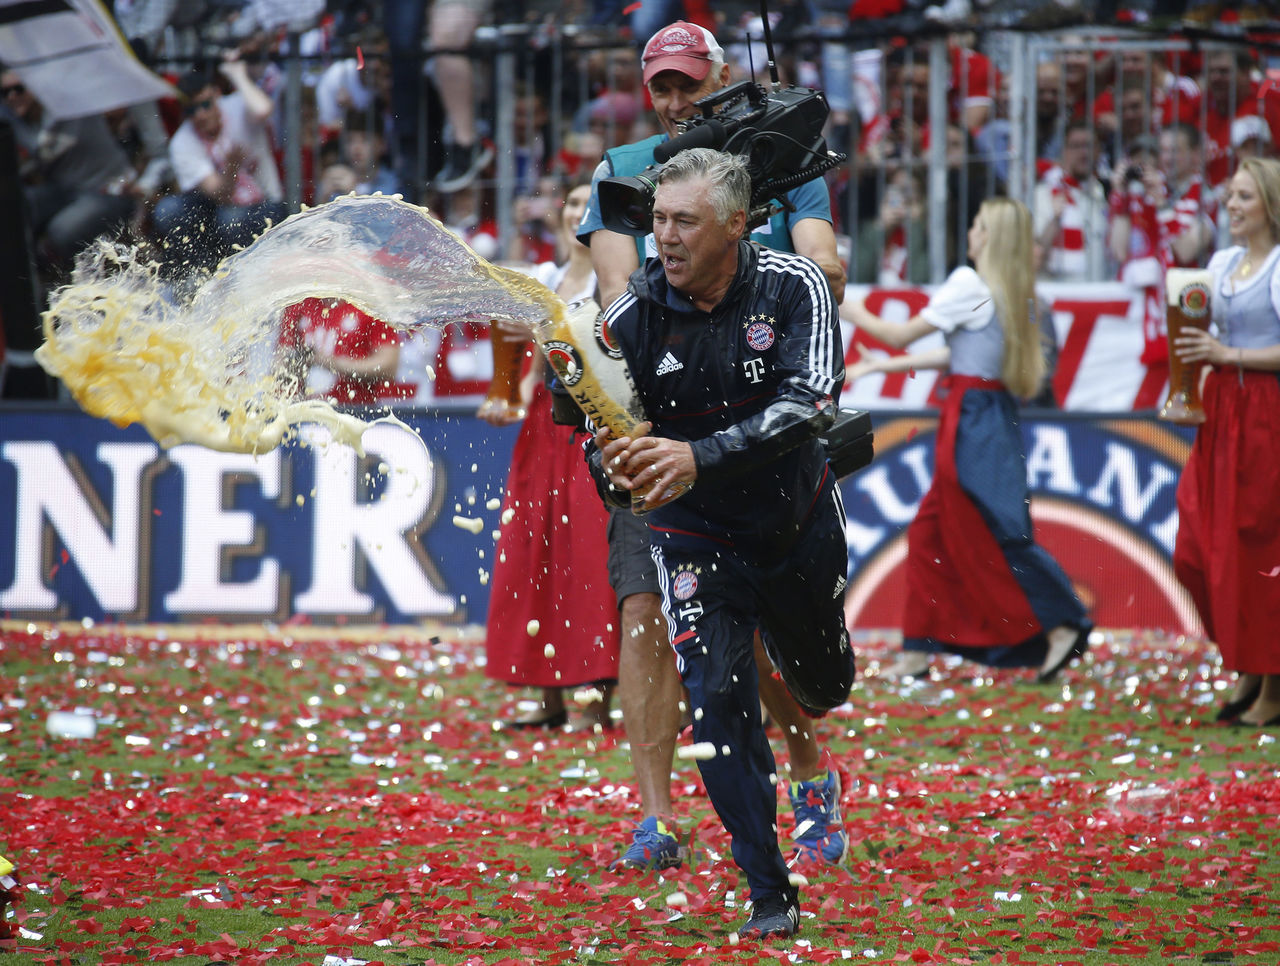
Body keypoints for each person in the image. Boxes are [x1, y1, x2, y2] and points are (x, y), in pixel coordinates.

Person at [576, 19, 849, 875]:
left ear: (722, 79)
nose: (673, 100)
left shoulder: (781, 154)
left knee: (760, 628)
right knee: (646, 614)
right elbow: (619, 292)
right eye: (659, 84)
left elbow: (825, 262)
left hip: (761, 428)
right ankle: (658, 817)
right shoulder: (621, 173)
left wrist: (755, 245)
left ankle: (808, 770)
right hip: (657, 426)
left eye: (689, 82)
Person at [842, 198, 1092, 681]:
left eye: (977, 224)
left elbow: (899, 334)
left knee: (998, 529)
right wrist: (880, 366)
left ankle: (1065, 621)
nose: (971, 232)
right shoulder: (1016, 294)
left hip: (972, 418)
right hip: (990, 413)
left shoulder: (970, 285)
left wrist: (843, 301)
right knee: (934, 531)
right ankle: (917, 649)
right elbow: (963, 354)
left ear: (991, 237)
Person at [480, 178, 618, 732]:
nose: (579, 213)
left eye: (592, 204)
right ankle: (544, 690)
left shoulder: (618, 280)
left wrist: (541, 332)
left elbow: (605, 352)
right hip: (542, 427)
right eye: (574, 203)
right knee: (532, 548)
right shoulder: (542, 280)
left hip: (591, 425)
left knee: (589, 556)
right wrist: (505, 395)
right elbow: (523, 368)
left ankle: (595, 692)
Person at [1171, 157, 1280, 728]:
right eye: (1231, 195)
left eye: (1243, 197)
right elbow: (1194, 324)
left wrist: (1226, 356)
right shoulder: (1224, 262)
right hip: (1224, 409)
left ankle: (1271, 682)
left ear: (1269, 204)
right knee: (1195, 545)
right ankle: (1248, 662)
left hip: (1267, 409)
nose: (1232, 205)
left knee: (1260, 546)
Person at [152, 56, 288, 277]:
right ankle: (200, 276)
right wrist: (232, 168)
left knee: (230, 221)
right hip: (221, 206)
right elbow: (220, 193)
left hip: (265, 204)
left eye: (205, 105)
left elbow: (264, 109)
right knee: (168, 211)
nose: (201, 115)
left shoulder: (236, 106)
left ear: (216, 95)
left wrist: (237, 74)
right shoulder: (182, 141)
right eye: (192, 110)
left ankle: (244, 278)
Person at [0, 69, 139, 273]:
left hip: (109, 190)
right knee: (14, 207)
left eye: (18, 89)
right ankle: (23, 282)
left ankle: (84, 281)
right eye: (5, 93)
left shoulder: (69, 105)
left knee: (62, 230)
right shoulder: (22, 121)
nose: (12, 97)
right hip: (64, 192)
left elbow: (42, 148)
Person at [1034, 119, 1110, 282]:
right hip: (1058, 295)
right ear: (1064, 151)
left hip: (1097, 291)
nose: (1083, 153)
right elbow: (1035, 253)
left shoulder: (1102, 192)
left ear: (1098, 151)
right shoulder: (1045, 192)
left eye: (1089, 146)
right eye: (1076, 146)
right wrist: (1055, 220)